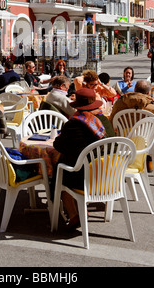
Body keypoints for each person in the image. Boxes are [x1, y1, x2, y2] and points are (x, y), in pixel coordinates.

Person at [52, 88, 115, 228]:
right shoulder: (104, 120)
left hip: (84, 178)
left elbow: (59, 145)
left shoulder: (73, 124)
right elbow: (113, 146)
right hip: (109, 176)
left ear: (78, 106)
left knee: (59, 172)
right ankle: (79, 209)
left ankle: (74, 215)